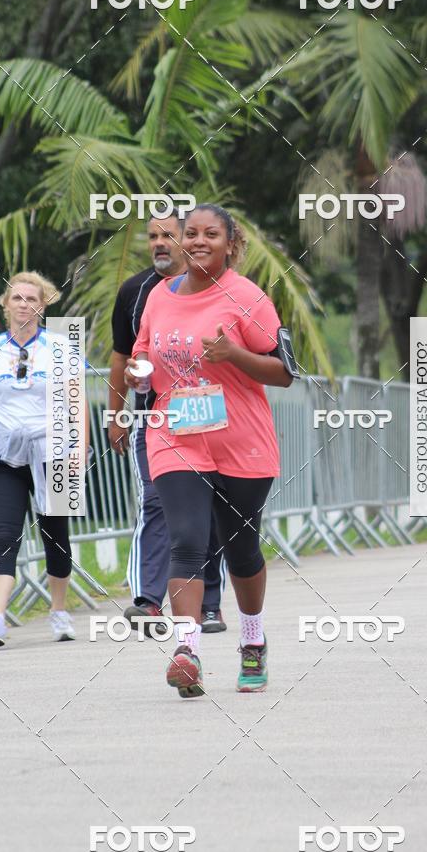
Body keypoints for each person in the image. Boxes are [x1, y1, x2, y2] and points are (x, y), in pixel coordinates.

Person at [126, 203, 294, 698]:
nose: (199, 241)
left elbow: (284, 373)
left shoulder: (248, 298)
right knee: (186, 541)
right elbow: (142, 355)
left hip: (242, 444)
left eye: (211, 234)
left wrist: (235, 355)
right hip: (175, 436)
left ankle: (252, 641)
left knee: (242, 551)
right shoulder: (158, 296)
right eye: (191, 233)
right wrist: (139, 374)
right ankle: (187, 650)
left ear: (229, 244)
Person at [109, 211, 227, 634]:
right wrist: (118, 413)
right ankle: (148, 599)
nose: (159, 243)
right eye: (152, 236)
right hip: (154, 413)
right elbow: (123, 355)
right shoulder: (136, 291)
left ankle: (210, 605)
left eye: (168, 235)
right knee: (156, 501)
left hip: (208, 410)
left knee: (209, 507)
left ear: (187, 241)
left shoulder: (217, 287)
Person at [0, 272, 87, 646]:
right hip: (5, 453)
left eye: (32, 299)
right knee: (4, 534)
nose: (24, 304)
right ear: (6, 305)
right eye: (17, 298)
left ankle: (59, 612)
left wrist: (78, 450)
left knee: (56, 536)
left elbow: (76, 402)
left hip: (55, 450)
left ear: (43, 305)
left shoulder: (63, 347)